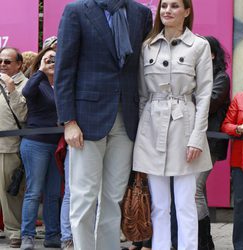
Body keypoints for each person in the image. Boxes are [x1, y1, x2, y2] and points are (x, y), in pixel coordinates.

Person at [54, 0, 152, 249]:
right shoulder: (77, 11)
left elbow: (141, 67)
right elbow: (64, 70)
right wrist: (69, 121)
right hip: (86, 120)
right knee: (84, 198)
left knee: (113, 198)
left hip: (126, 118)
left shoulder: (140, 13)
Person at [133, 0, 213, 249]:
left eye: (175, 5)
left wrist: (197, 138)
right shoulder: (147, 46)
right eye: (164, 5)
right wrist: (141, 136)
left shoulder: (199, 46)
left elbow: (203, 95)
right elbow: (142, 95)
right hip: (151, 127)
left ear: (187, 11)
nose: (167, 10)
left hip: (184, 126)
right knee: (159, 205)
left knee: (186, 204)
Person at [20, 47, 62, 250]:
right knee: (34, 192)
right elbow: (26, 92)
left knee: (53, 193)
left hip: (58, 145)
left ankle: (52, 235)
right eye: (48, 59)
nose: (52, 62)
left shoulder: (64, 83)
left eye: (56, 59)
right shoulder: (38, 82)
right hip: (35, 143)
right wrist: (41, 70)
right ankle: (27, 236)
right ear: (40, 62)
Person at [195, 36, 230, 250]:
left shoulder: (221, 77)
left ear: (213, 55)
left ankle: (204, 243)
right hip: (192, 140)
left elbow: (210, 105)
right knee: (196, 191)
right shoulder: (194, 75)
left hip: (209, 141)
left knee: (194, 190)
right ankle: (203, 242)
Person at [0, 47, 28, 248]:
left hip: (9, 146)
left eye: (7, 61)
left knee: (10, 193)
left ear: (19, 64)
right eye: (0, 61)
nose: (2, 64)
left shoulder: (26, 84)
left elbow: (24, 116)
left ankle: (14, 232)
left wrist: (11, 88)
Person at [221, 82, 243, 250]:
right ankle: (240, 246)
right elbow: (226, 125)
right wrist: (238, 128)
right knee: (242, 203)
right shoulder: (240, 98)